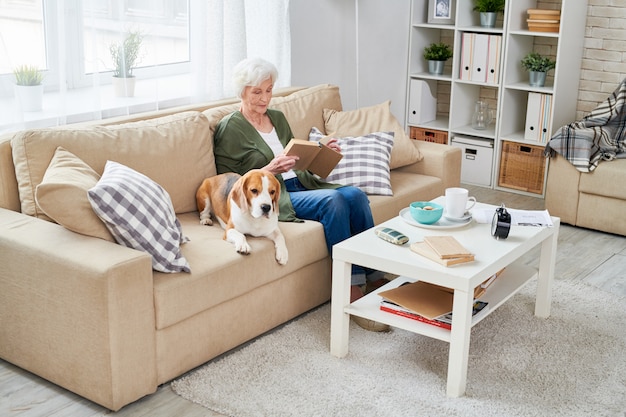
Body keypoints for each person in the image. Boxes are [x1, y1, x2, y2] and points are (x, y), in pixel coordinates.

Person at [213, 57, 388, 331]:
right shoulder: (229, 127)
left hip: (303, 183)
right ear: (242, 91)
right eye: (256, 92)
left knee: (354, 195)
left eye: (268, 90)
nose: (264, 98)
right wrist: (268, 169)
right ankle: (350, 293)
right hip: (276, 197)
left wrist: (319, 148)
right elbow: (229, 179)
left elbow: (294, 155)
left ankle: (376, 276)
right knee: (335, 201)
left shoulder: (278, 117)